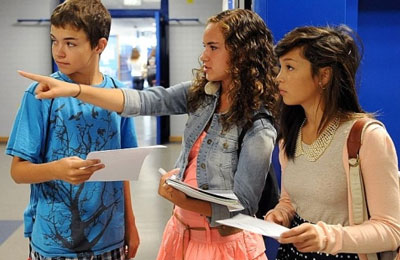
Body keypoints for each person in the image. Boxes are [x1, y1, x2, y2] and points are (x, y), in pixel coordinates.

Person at [19, 8, 279, 260]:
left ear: (242, 53)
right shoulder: (202, 96)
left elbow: (242, 208)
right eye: (204, 46)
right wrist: (75, 90)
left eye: (213, 47)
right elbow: (144, 101)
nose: (203, 56)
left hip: (222, 246)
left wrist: (183, 200)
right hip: (181, 234)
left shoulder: (258, 125)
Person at [6, 0, 140, 259]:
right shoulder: (41, 94)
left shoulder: (118, 96)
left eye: (70, 43)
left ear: (99, 45)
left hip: (109, 239)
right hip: (54, 243)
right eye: (54, 40)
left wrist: (130, 225)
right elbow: (18, 172)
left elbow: (122, 171)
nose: (59, 51)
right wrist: (57, 170)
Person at [264, 25, 400, 260]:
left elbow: (390, 229)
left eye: (289, 67)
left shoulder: (367, 137)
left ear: (323, 76)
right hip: (293, 253)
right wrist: (281, 213)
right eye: (280, 67)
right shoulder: (290, 137)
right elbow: (290, 200)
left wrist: (326, 238)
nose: (279, 78)